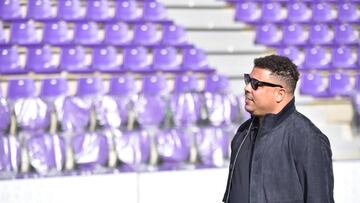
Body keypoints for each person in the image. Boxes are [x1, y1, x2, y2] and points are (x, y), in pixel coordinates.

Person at [222, 55, 334, 203]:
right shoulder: (243, 132)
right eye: (248, 80)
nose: (247, 88)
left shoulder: (308, 139)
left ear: (279, 94)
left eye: (255, 83)